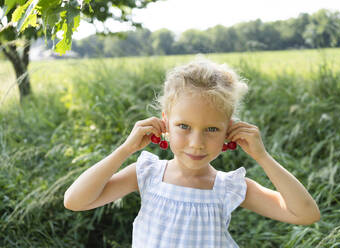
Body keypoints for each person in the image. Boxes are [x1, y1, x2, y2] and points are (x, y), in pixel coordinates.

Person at [64, 58, 321, 247]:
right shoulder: (147, 173)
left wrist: (262, 157)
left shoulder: (229, 187)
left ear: (229, 130)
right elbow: (75, 201)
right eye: (184, 126)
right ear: (165, 122)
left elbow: (306, 214)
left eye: (211, 129)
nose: (196, 143)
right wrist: (125, 149)